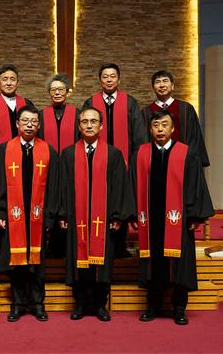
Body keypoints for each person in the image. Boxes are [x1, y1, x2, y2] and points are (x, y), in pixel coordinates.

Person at [130, 109, 214, 325]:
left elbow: (196, 186)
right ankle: (153, 305)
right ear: (150, 128)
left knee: (179, 265)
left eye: (164, 125)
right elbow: (132, 186)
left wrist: (195, 215)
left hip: (178, 221)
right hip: (149, 221)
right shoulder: (141, 153)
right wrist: (132, 213)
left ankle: (179, 308)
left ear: (173, 128)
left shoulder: (186, 153)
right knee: (153, 264)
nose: (160, 129)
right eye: (156, 125)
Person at [59, 107, 134, 322]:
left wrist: (117, 216)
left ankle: (100, 305)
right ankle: (81, 303)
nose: (89, 125)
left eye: (93, 121)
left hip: (104, 219)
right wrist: (63, 214)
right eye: (85, 121)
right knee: (79, 263)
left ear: (101, 125)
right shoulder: (69, 154)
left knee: (102, 264)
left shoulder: (113, 154)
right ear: (79, 126)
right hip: (77, 219)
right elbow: (62, 187)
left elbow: (120, 187)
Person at [0, 106, 59, 322]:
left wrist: (49, 217)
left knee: (38, 264)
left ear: (39, 125)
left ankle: (38, 304)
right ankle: (18, 304)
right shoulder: (5, 149)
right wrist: (1, 212)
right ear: (17, 124)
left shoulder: (48, 151)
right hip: (14, 216)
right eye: (25, 121)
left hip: (38, 217)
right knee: (17, 262)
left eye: (33, 121)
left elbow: (54, 187)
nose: (29, 125)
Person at [82, 63, 146, 258]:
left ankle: (119, 246)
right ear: (99, 80)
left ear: (119, 79)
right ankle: (93, 243)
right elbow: (84, 130)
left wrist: (134, 163)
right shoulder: (90, 102)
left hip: (122, 164)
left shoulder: (130, 103)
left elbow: (139, 136)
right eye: (105, 76)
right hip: (95, 162)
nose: (109, 79)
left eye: (112, 76)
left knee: (120, 200)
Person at [38, 73, 79, 258]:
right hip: (47, 169)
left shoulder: (78, 114)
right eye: (53, 90)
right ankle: (51, 248)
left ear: (67, 92)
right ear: (49, 93)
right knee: (49, 203)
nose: (57, 93)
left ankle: (69, 247)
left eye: (60, 89)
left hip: (72, 169)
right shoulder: (40, 115)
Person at [141, 70, 209, 167]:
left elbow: (193, 138)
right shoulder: (145, 113)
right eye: (158, 82)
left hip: (183, 163)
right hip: (155, 164)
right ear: (153, 87)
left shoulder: (186, 109)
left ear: (172, 86)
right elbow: (144, 141)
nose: (161, 85)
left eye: (165, 81)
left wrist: (189, 161)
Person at [0, 65, 35, 163]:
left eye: (12, 79)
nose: (9, 83)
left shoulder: (27, 104)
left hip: (25, 159)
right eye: (5, 79)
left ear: (17, 83)